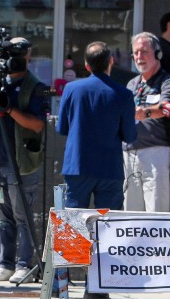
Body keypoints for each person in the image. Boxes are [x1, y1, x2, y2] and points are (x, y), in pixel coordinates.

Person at [0, 38, 50, 285]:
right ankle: (6, 263)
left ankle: (24, 265)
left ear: (28, 57)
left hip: (23, 161)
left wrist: (10, 109)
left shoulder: (38, 87)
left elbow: (38, 124)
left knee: (22, 214)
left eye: (19, 54)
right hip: (1, 159)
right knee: (6, 215)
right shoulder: (0, 82)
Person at [56, 41, 137, 211]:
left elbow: (61, 128)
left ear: (86, 65)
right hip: (110, 168)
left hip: (77, 165)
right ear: (111, 61)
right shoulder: (124, 94)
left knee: (75, 226)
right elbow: (130, 136)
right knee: (109, 226)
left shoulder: (71, 89)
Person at [122, 32, 170, 213]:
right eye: (136, 52)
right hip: (129, 153)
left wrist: (147, 112)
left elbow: (168, 108)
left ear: (158, 54)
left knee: (156, 211)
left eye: (144, 52)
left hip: (156, 152)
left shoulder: (167, 81)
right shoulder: (132, 83)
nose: (139, 57)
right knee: (130, 212)